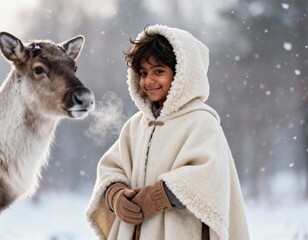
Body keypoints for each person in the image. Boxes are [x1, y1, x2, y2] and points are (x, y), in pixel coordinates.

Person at [86, 24, 250, 240]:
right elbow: (112, 168)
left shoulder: (201, 122)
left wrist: (155, 197)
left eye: (159, 71)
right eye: (143, 73)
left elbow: (207, 179)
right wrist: (116, 195)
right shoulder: (136, 125)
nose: (149, 80)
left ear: (183, 75)